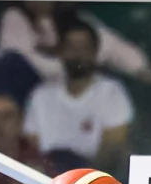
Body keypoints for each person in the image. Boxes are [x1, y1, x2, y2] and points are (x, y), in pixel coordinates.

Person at [23, 22, 133, 168]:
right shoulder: (40, 96)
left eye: (84, 47)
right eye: (71, 47)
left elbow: (113, 147)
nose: (78, 54)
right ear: (61, 51)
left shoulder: (112, 93)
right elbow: (32, 148)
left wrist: (85, 177)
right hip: (48, 177)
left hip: (94, 174)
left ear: (95, 52)